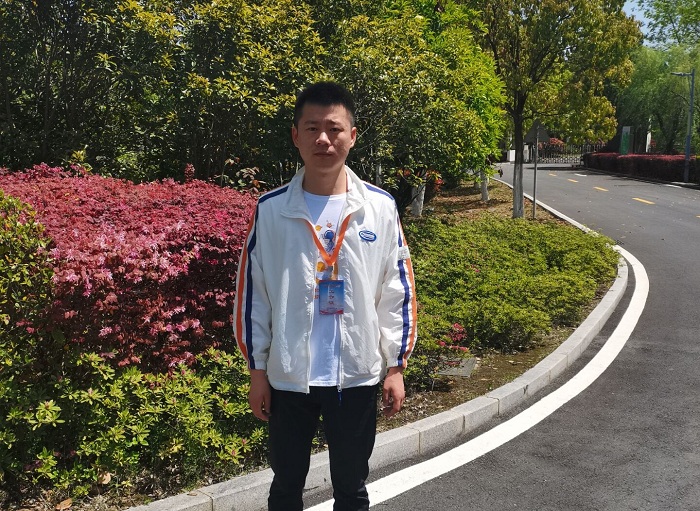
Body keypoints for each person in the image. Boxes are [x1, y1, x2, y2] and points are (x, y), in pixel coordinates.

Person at [233, 81, 417, 511]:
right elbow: (253, 295)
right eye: (312, 128)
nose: (323, 139)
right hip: (289, 376)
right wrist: (257, 370)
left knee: (351, 487)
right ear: (295, 135)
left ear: (352, 136)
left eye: (334, 128)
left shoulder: (379, 207)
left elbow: (396, 290)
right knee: (285, 486)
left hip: (355, 374)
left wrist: (395, 365)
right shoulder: (271, 210)